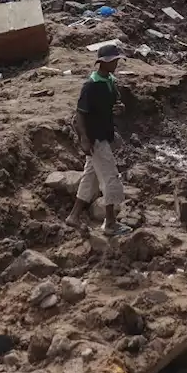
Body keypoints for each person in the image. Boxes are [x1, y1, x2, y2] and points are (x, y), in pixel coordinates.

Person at [67, 44, 131, 236]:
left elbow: (116, 104)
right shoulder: (91, 86)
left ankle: (73, 216)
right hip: (96, 138)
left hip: (104, 133)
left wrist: (119, 109)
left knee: (91, 177)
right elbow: (79, 114)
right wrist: (84, 139)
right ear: (103, 63)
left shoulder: (110, 81)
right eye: (113, 61)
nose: (116, 64)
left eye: (117, 60)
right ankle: (110, 223)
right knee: (110, 177)